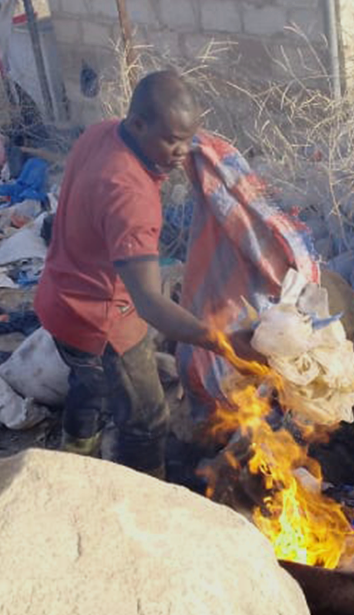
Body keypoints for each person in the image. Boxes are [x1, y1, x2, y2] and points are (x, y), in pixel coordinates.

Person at [34, 70, 255, 478]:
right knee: (148, 420)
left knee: (88, 382)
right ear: (138, 124)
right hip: (100, 319)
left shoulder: (102, 133)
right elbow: (150, 305)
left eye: (189, 139)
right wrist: (221, 342)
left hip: (58, 295)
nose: (183, 152)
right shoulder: (130, 196)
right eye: (172, 140)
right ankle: (146, 502)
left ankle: (75, 457)